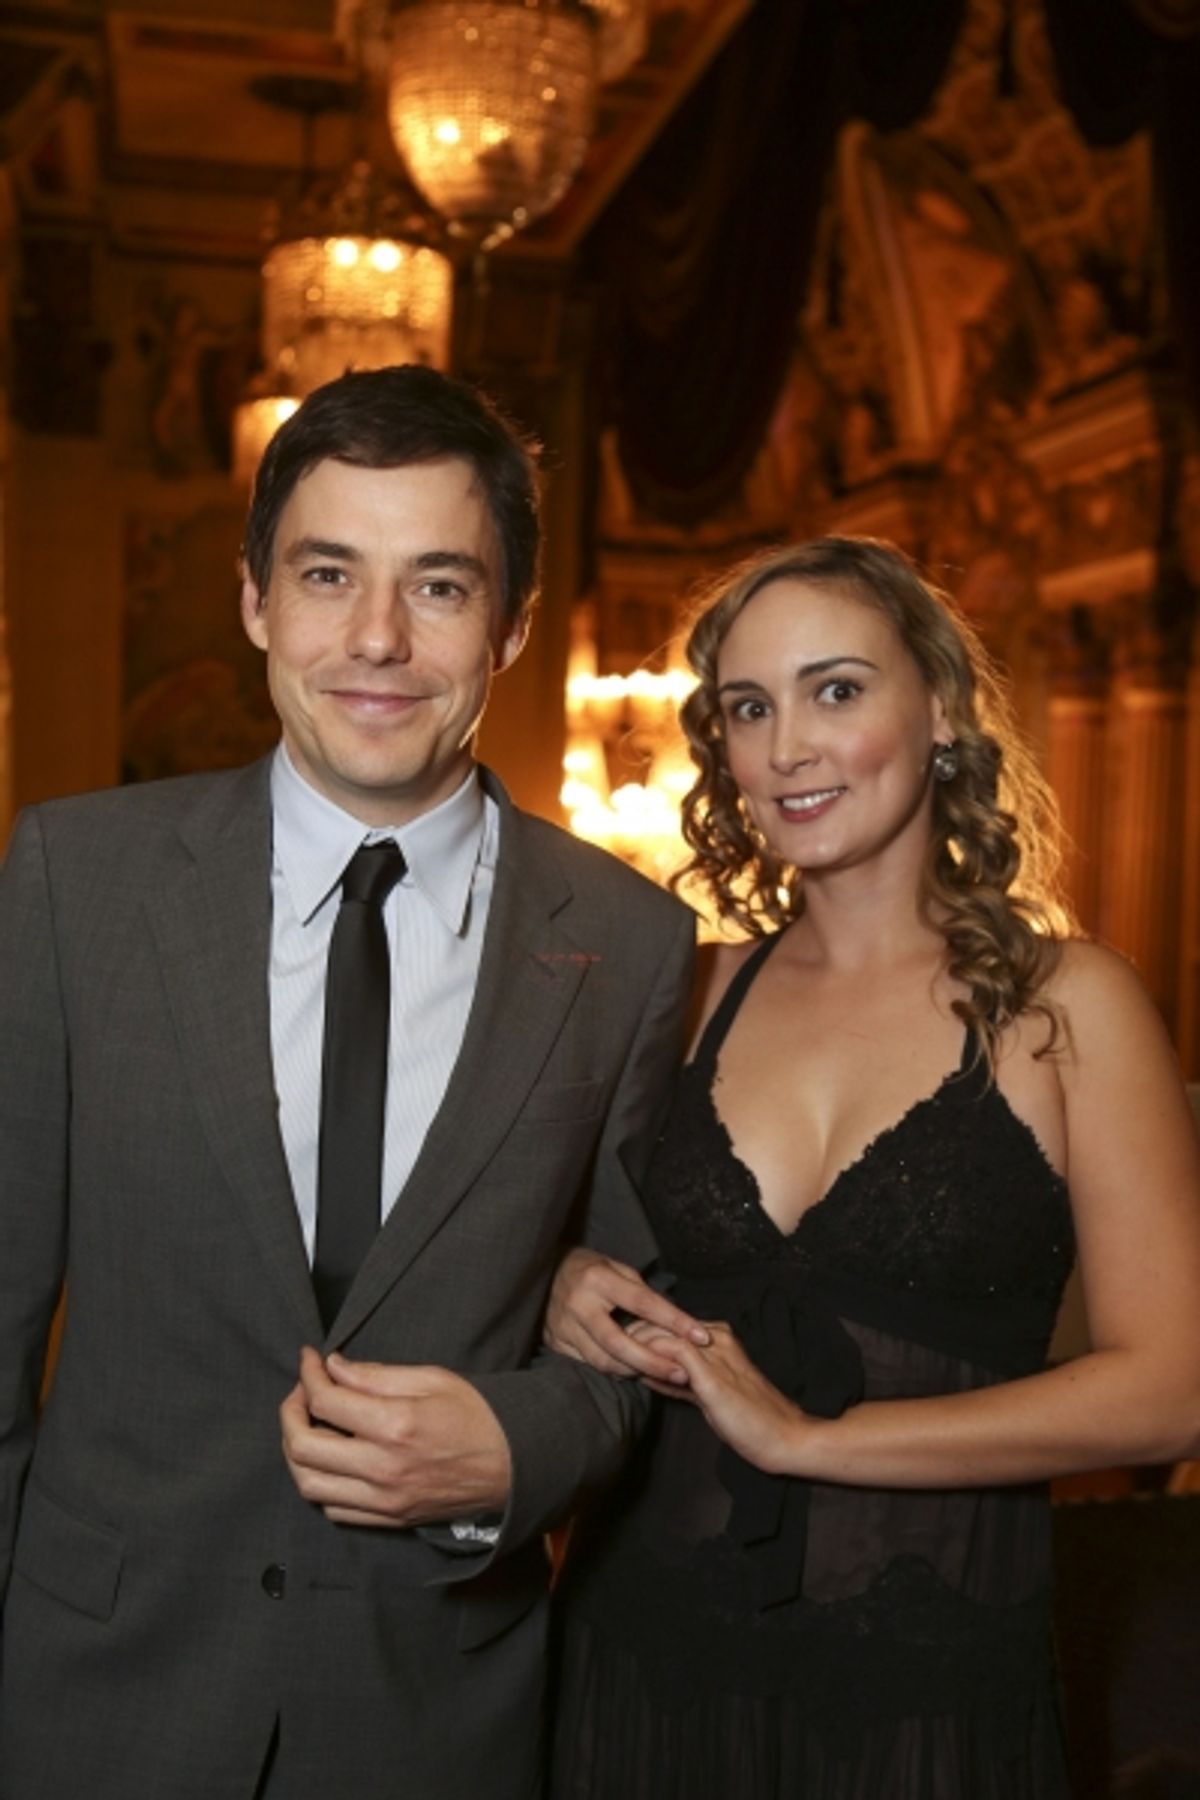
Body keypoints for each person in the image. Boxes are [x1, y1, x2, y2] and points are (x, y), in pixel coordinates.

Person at [0, 364, 694, 1800]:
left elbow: (640, 1343)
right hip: (94, 1703)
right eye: (329, 574)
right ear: (256, 599)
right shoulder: (79, 880)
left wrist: (513, 1445)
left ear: (508, 626)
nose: (377, 638)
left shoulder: (628, 945)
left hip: (436, 1718)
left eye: (439, 587)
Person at [546, 536, 1200, 1799]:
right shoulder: (682, 992)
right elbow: (527, 1229)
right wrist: (562, 1275)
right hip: (638, 1652)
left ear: (942, 711)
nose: (787, 744)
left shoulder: (1071, 1007)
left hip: (925, 1687)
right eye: (750, 706)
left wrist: (813, 1441)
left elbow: (1172, 1390)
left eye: (835, 690)